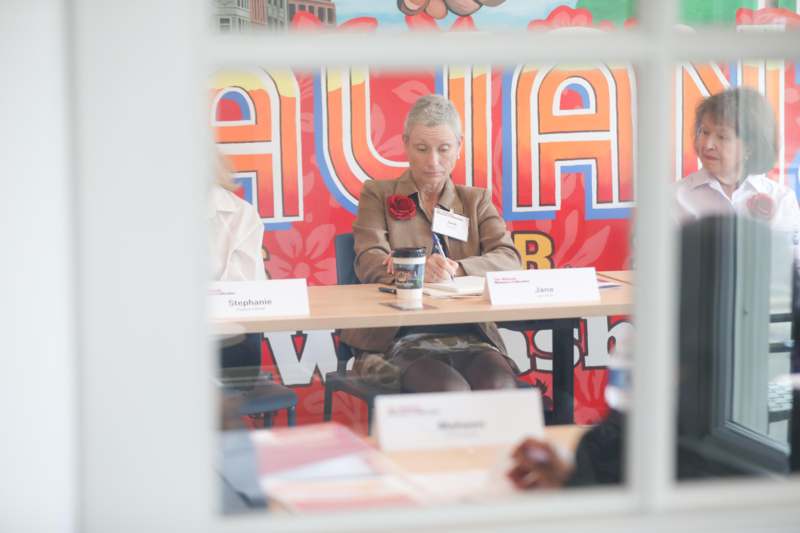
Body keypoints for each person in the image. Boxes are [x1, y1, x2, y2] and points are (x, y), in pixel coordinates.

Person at [339, 94, 523, 393]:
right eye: (422, 149)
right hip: (394, 339)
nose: (432, 162)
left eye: (444, 149)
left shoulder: (475, 201)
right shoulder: (378, 194)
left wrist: (457, 268)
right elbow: (370, 261)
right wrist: (420, 269)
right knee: (448, 390)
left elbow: (509, 258)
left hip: (470, 334)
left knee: (499, 385)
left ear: (459, 147)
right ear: (406, 143)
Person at [675, 87, 800, 234]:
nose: (707, 145)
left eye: (722, 137)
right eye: (704, 132)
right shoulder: (673, 198)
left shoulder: (781, 199)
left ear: (750, 147)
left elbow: (791, 255)